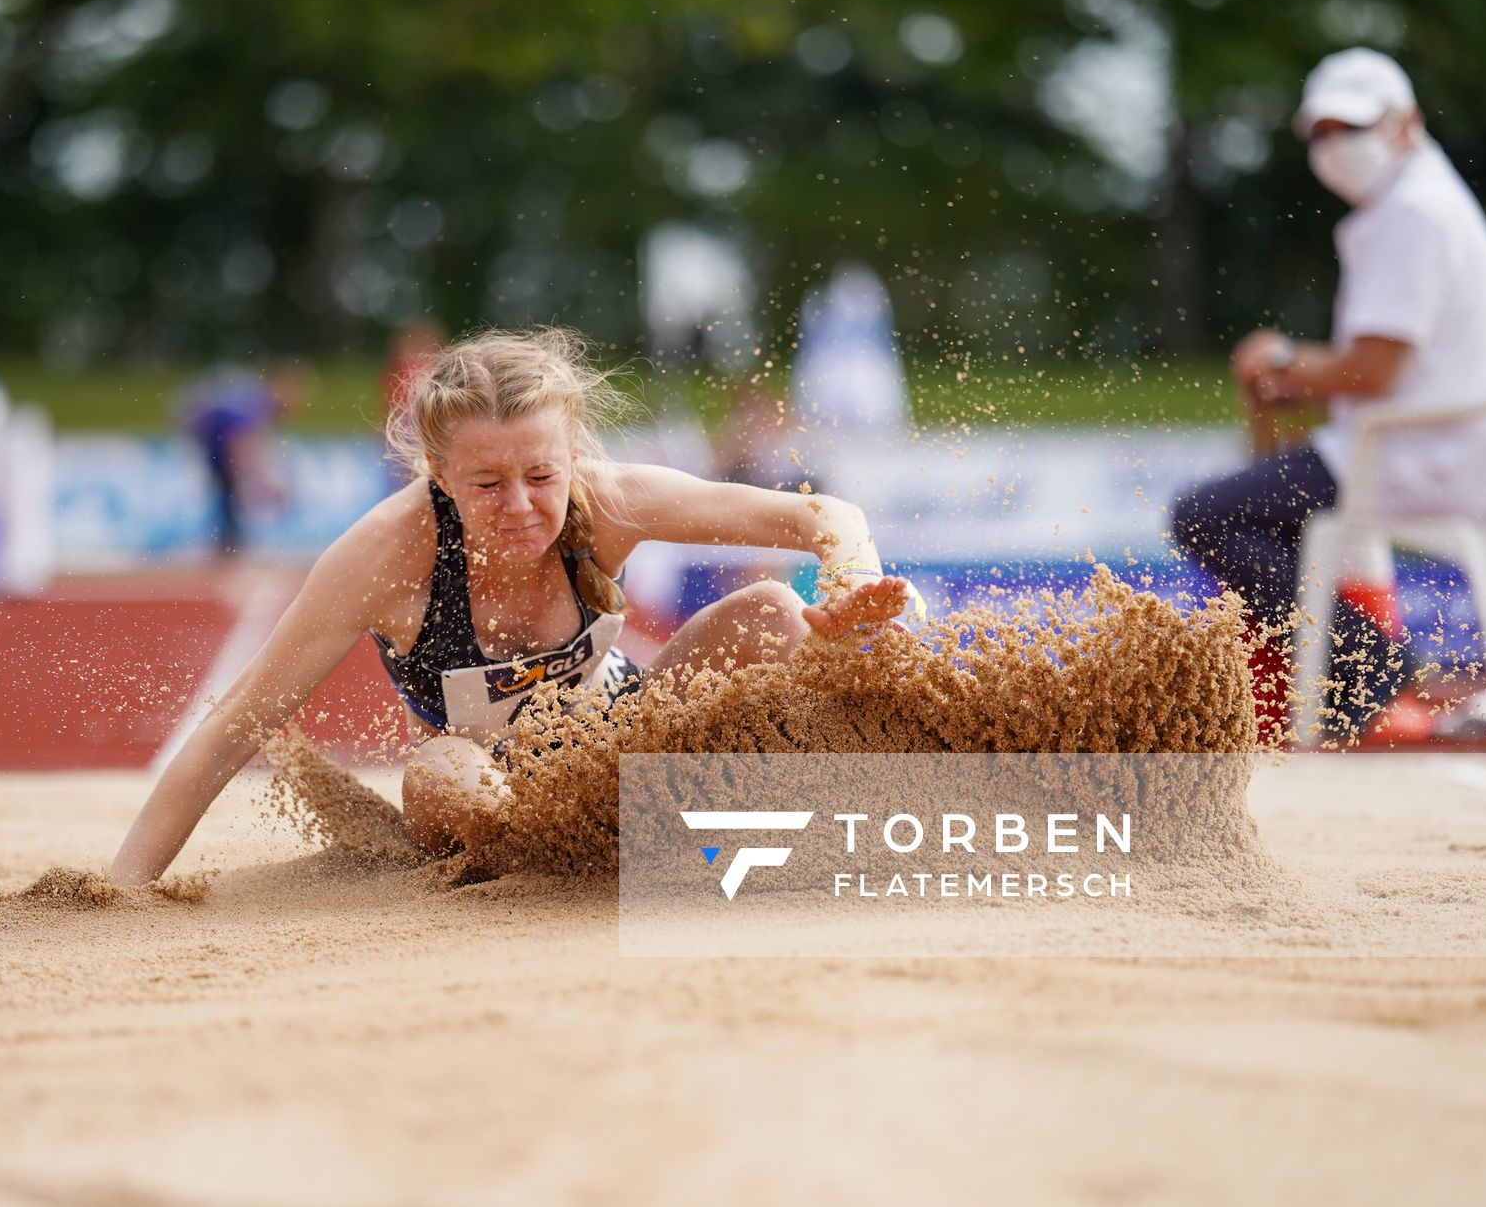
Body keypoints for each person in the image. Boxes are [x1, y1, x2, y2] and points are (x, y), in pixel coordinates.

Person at [111, 328, 910, 884]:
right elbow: (230, 729)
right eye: (487, 485)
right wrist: (122, 888)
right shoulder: (386, 554)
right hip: (489, 794)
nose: (521, 506)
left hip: (629, 741)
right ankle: (603, 859)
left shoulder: (612, 501)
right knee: (440, 769)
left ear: (573, 454)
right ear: (439, 472)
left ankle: (820, 813)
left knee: (772, 609)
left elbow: (826, 519)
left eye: (542, 476)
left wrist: (849, 588)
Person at [1171, 49, 1486, 741]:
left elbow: (1372, 372)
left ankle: (1366, 668)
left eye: (1352, 127)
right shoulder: (1417, 202)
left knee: (1204, 515)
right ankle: (1344, 677)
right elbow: (1376, 375)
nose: (1336, 146)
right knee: (1256, 502)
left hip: (1433, 453)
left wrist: (1279, 358)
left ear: (1406, 124)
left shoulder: (1414, 214)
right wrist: (1298, 381)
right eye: (1322, 131)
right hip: (1434, 441)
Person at [179, 363, 307, 554]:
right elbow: (242, 446)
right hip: (214, 438)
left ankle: (227, 544)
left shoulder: (254, 399)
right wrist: (262, 483)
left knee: (227, 499)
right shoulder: (260, 405)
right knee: (228, 495)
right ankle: (227, 547)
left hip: (210, 433)